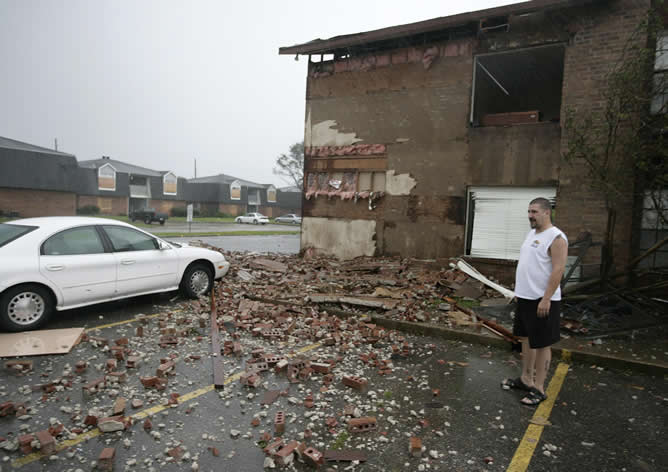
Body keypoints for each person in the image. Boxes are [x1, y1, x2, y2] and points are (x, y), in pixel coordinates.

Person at [502, 197, 568, 406]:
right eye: (529, 211)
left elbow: (558, 269)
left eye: (534, 212)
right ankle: (525, 379)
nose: (530, 215)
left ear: (547, 212)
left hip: (543, 300)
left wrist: (546, 298)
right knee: (525, 339)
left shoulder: (556, 237)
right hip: (525, 297)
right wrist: (518, 291)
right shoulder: (532, 234)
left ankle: (539, 388)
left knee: (542, 343)